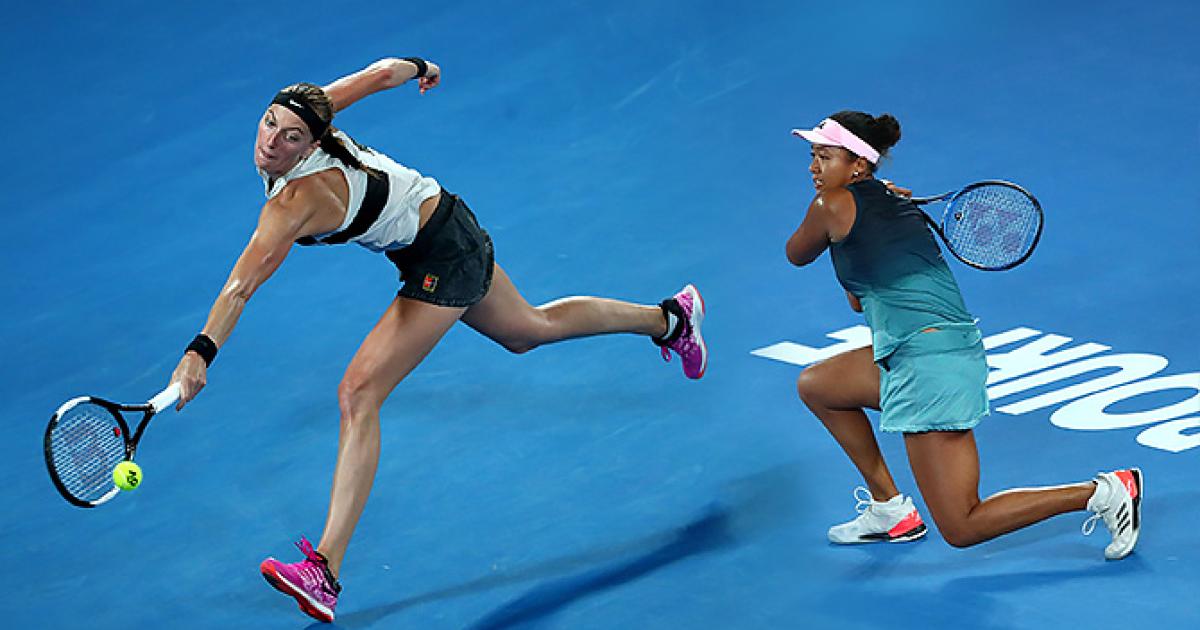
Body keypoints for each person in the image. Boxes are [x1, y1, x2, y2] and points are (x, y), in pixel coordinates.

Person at [166, 57, 707, 623]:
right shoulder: (314, 111)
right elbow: (378, 76)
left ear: (313, 144)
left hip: (444, 256)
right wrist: (421, 67)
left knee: (358, 393)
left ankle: (324, 570)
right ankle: (672, 319)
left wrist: (199, 354)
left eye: (290, 137)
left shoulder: (293, 205)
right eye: (269, 123)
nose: (272, 141)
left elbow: (240, 287)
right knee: (529, 330)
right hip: (443, 225)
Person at [784, 111, 1141, 558]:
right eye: (813, 156)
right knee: (818, 386)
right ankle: (889, 509)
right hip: (924, 350)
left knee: (962, 525)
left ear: (858, 164)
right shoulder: (897, 206)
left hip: (928, 367)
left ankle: (1104, 492)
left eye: (825, 156)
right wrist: (860, 235)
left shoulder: (832, 205)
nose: (813, 168)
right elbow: (860, 299)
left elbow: (796, 253)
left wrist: (843, 229)